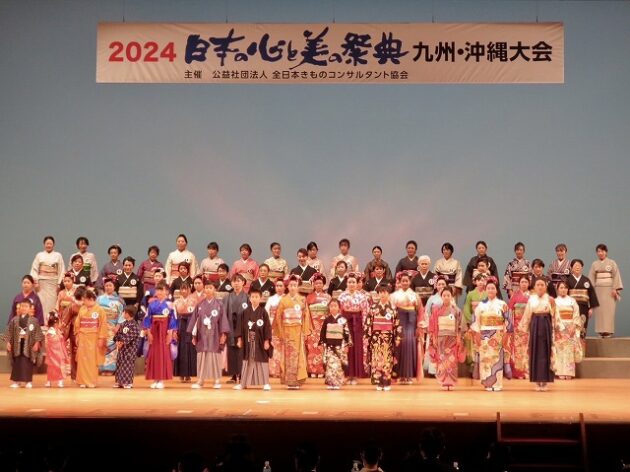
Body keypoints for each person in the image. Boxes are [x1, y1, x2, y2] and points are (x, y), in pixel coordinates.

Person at [471, 278, 512, 392]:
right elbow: (475, 321)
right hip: (484, 335)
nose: (490, 290)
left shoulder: (502, 304)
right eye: (488, 288)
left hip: (498, 335)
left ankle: (497, 384)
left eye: (493, 288)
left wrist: (506, 334)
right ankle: (487, 383)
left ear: (496, 290)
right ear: (485, 290)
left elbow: (508, 321)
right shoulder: (481, 305)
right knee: (486, 360)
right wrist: (477, 334)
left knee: (497, 360)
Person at [519, 278, 560, 391]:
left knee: (546, 352)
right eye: (538, 285)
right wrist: (523, 328)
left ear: (546, 287)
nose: (540, 287)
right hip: (535, 325)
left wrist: (558, 327)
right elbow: (527, 314)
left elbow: (555, 315)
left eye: (542, 285)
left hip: (546, 325)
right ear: (534, 287)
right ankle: (537, 381)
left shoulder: (550, 299)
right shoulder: (531, 299)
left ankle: (545, 381)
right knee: (535, 352)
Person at [188, 281, 230, 389]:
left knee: (215, 357)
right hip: (202, 334)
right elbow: (194, 321)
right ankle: (200, 380)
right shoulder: (200, 304)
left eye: (210, 288)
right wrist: (193, 336)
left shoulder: (219, 304)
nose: (208, 290)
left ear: (214, 289)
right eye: (206, 288)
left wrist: (223, 334)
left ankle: (217, 380)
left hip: (215, 334)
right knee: (202, 356)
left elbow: (223, 320)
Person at [273, 274, 313, 389]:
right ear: (287, 286)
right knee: (287, 355)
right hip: (286, 330)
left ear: (298, 286)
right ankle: (289, 380)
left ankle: (297, 380)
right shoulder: (283, 300)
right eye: (291, 285)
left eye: (295, 285)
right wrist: (280, 332)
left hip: (298, 331)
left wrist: (305, 331)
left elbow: (306, 316)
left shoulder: (302, 300)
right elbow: (278, 317)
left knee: (299, 355)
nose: (293, 287)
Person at [234, 288, 273, 391]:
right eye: (253, 297)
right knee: (247, 360)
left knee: (262, 360)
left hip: (260, 340)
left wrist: (267, 340)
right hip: (248, 339)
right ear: (249, 298)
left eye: (256, 297)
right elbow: (240, 326)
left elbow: (267, 327)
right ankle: (243, 383)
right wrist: (239, 339)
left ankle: (265, 383)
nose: (254, 299)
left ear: (260, 298)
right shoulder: (245, 312)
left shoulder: (263, 312)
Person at [390, 271, 424, 384]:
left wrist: (419, 326)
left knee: (410, 344)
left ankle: (409, 375)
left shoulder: (415, 296)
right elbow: (391, 311)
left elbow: (420, 312)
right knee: (399, 346)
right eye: (402, 281)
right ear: (399, 282)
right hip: (399, 323)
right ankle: (399, 375)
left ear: (410, 282)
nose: (404, 283)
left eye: (406, 281)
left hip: (411, 324)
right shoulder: (394, 296)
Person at [365, 285, 400, 391]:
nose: (382, 294)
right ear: (378, 294)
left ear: (388, 294)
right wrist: (367, 336)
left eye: (385, 292)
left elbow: (397, 324)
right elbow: (368, 323)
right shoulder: (373, 308)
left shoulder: (393, 308)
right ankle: (379, 382)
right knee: (376, 359)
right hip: (376, 337)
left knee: (387, 360)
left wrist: (398, 337)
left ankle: (386, 382)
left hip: (388, 337)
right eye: (380, 292)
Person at [429, 287, 463, 391]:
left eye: (448, 295)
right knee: (442, 359)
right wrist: (434, 337)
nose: (446, 297)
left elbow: (460, 326)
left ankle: (451, 382)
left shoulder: (456, 310)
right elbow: (432, 324)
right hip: (441, 338)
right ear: (441, 296)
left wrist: (458, 337)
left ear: (451, 296)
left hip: (452, 338)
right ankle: (443, 382)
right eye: (444, 295)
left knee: (452, 360)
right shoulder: (436, 310)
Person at [338, 272, 370, 383]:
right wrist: (340, 325)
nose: (351, 284)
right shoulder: (342, 296)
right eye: (349, 282)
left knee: (357, 348)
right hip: (345, 323)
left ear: (357, 284)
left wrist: (365, 325)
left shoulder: (362, 296)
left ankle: (355, 374)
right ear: (346, 283)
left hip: (358, 324)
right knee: (347, 348)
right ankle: (347, 374)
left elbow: (365, 312)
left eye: (353, 282)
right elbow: (339, 312)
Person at [144, 281, 177, 389]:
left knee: (163, 353)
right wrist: (148, 332)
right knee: (154, 354)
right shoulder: (151, 304)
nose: (159, 292)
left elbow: (173, 319)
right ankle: (155, 378)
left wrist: (170, 333)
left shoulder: (170, 305)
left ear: (166, 291)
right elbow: (147, 318)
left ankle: (161, 379)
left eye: (161, 290)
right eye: (157, 290)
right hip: (154, 330)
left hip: (165, 331)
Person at [6, 299, 43, 388]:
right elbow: (9, 332)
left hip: (29, 345)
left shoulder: (34, 320)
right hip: (17, 344)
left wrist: (37, 343)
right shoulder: (14, 320)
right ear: (19, 307)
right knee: (17, 363)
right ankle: (16, 381)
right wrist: (8, 342)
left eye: (26, 306)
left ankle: (28, 381)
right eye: (22, 306)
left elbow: (38, 333)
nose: (24, 308)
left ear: (30, 308)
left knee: (27, 363)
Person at [74, 290, 108, 388]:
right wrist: (77, 335)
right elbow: (77, 323)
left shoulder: (100, 310)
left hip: (94, 337)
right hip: (82, 336)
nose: (83, 301)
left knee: (92, 360)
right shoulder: (82, 309)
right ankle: (82, 381)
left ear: (91, 299)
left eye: (85, 299)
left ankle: (91, 381)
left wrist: (101, 338)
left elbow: (103, 325)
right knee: (82, 359)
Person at [589, 244, 623, 338]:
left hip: (610, 290)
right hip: (598, 290)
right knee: (599, 310)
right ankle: (600, 331)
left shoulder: (612, 263)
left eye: (602, 251)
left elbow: (616, 276)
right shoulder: (594, 264)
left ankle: (608, 331)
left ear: (606, 252)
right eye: (598, 251)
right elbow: (591, 278)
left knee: (609, 311)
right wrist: (591, 290)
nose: (600, 253)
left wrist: (615, 288)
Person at [319, 298, 352, 389]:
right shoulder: (327, 320)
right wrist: (322, 343)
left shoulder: (342, 320)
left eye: (335, 306)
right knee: (330, 365)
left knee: (338, 365)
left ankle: (337, 383)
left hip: (340, 345)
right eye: (331, 306)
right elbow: (323, 333)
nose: (333, 308)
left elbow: (346, 333)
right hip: (329, 346)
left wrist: (347, 345)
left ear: (339, 308)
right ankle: (330, 383)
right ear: (329, 308)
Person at [553, 281, 583, 380]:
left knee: (569, 351)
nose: (563, 290)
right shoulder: (554, 301)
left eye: (565, 288)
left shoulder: (572, 301)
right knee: (560, 350)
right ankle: (560, 371)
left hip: (570, 328)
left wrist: (574, 326)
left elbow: (576, 314)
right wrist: (560, 327)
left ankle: (569, 372)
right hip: (559, 329)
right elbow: (554, 316)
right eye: (561, 288)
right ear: (557, 289)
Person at [223, 273, 249, 383]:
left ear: (243, 282)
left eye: (238, 281)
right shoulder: (227, 297)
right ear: (231, 283)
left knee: (242, 351)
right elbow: (223, 314)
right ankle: (234, 375)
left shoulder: (247, 297)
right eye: (234, 281)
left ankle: (243, 374)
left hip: (243, 327)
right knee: (232, 351)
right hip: (230, 326)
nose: (236, 283)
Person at [30, 235, 64, 319]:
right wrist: (36, 282)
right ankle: (41, 322)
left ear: (53, 244)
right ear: (44, 244)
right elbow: (34, 269)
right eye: (47, 243)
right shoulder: (39, 255)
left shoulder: (58, 255)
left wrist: (59, 283)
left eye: (50, 244)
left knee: (53, 303)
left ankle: (51, 322)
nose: (48, 245)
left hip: (53, 283)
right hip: (41, 284)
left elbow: (62, 270)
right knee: (41, 303)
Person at [96, 278, 124, 374]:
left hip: (113, 327)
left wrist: (118, 326)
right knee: (101, 345)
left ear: (114, 287)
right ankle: (101, 367)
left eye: (110, 285)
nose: (108, 287)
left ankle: (111, 369)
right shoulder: (99, 299)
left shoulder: (119, 300)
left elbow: (122, 315)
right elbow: (95, 312)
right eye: (106, 285)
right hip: (101, 326)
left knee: (112, 346)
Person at [567, 259, 599, 343]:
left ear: (582, 268)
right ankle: (572, 347)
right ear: (571, 268)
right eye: (575, 265)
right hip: (571, 307)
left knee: (582, 326)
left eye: (579, 265)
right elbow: (565, 294)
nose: (577, 267)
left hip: (584, 307)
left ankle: (581, 346)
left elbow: (591, 294)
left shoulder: (586, 280)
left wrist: (591, 308)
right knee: (572, 326)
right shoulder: (568, 280)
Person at [305, 272, 330, 378]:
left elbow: (329, 313)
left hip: (323, 325)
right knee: (311, 348)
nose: (318, 285)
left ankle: (321, 370)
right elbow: (306, 313)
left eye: (320, 283)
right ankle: (312, 370)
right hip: (312, 325)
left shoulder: (327, 297)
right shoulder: (309, 297)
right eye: (316, 283)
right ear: (313, 284)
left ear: (323, 284)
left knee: (322, 347)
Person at [463, 274, 487, 376]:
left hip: (485, 322)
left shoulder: (487, 294)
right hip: (473, 321)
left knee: (484, 343)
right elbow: (466, 309)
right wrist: (471, 320)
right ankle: (472, 365)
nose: (481, 282)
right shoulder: (470, 294)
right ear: (475, 282)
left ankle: (483, 366)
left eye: (483, 280)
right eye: (479, 280)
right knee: (472, 344)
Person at [508, 275, 532, 379]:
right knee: (517, 350)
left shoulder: (532, 296)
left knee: (527, 349)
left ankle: (527, 371)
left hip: (528, 325)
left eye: (526, 282)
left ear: (529, 283)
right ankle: (518, 372)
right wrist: (510, 325)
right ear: (519, 284)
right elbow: (510, 310)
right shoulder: (514, 296)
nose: (524, 284)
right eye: (522, 282)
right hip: (517, 325)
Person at [173, 282, 197, 382]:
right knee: (181, 349)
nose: (184, 291)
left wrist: (195, 329)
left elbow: (196, 316)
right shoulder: (176, 302)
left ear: (189, 290)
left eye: (186, 289)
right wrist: (174, 331)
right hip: (180, 325)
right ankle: (181, 374)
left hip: (190, 325)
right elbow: (174, 317)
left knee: (190, 349)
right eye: (182, 289)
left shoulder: (194, 301)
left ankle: (188, 375)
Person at [113, 306, 140, 388]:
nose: (123, 314)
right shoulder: (123, 324)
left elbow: (130, 336)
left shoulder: (134, 325)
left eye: (124, 312)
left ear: (128, 314)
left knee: (127, 364)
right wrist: (117, 341)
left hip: (130, 349)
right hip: (121, 349)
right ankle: (119, 381)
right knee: (120, 363)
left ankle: (128, 382)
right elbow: (118, 335)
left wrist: (122, 343)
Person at [264, 278, 286, 377]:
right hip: (273, 325)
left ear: (285, 287)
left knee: (284, 348)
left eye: (281, 286)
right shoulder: (271, 299)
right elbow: (266, 313)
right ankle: (274, 370)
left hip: (284, 326)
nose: (279, 288)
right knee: (274, 347)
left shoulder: (287, 299)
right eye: (277, 286)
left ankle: (283, 370)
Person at [44, 312, 68, 388]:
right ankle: (50, 382)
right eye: (59, 322)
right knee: (54, 367)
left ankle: (57, 381)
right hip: (54, 353)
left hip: (57, 353)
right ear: (55, 324)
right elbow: (53, 341)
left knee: (55, 367)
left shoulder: (56, 331)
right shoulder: (51, 332)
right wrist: (59, 337)